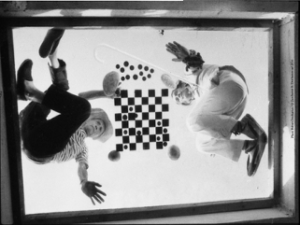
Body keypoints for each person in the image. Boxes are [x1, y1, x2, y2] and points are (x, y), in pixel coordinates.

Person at [17, 28, 119, 205]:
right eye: (99, 123)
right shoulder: (76, 120)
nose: (97, 127)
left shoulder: (82, 148)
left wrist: (84, 182)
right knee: (64, 96)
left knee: (79, 107)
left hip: (42, 150)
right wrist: (104, 93)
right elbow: (82, 97)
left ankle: (30, 91)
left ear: (96, 137)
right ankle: (53, 57)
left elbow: (81, 166)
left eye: (100, 130)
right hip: (31, 124)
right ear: (93, 119)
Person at [164, 41, 267, 176]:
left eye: (176, 93)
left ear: (182, 85)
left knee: (192, 121)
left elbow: (194, 64)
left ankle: (245, 126)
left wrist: (187, 57)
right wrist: (215, 142)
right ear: (186, 102)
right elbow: (210, 123)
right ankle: (249, 146)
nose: (179, 97)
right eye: (178, 100)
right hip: (235, 106)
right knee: (202, 144)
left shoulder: (189, 78)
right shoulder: (202, 104)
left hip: (231, 85)